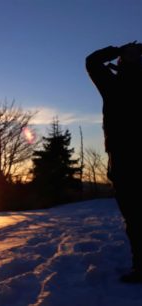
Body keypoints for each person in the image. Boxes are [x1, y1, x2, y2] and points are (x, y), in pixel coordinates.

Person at [86, 41, 142, 283]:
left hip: (127, 161)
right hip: (122, 161)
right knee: (135, 218)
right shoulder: (113, 84)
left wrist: (122, 52)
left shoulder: (115, 84)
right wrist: (120, 50)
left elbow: (91, 62)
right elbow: (91, 62)